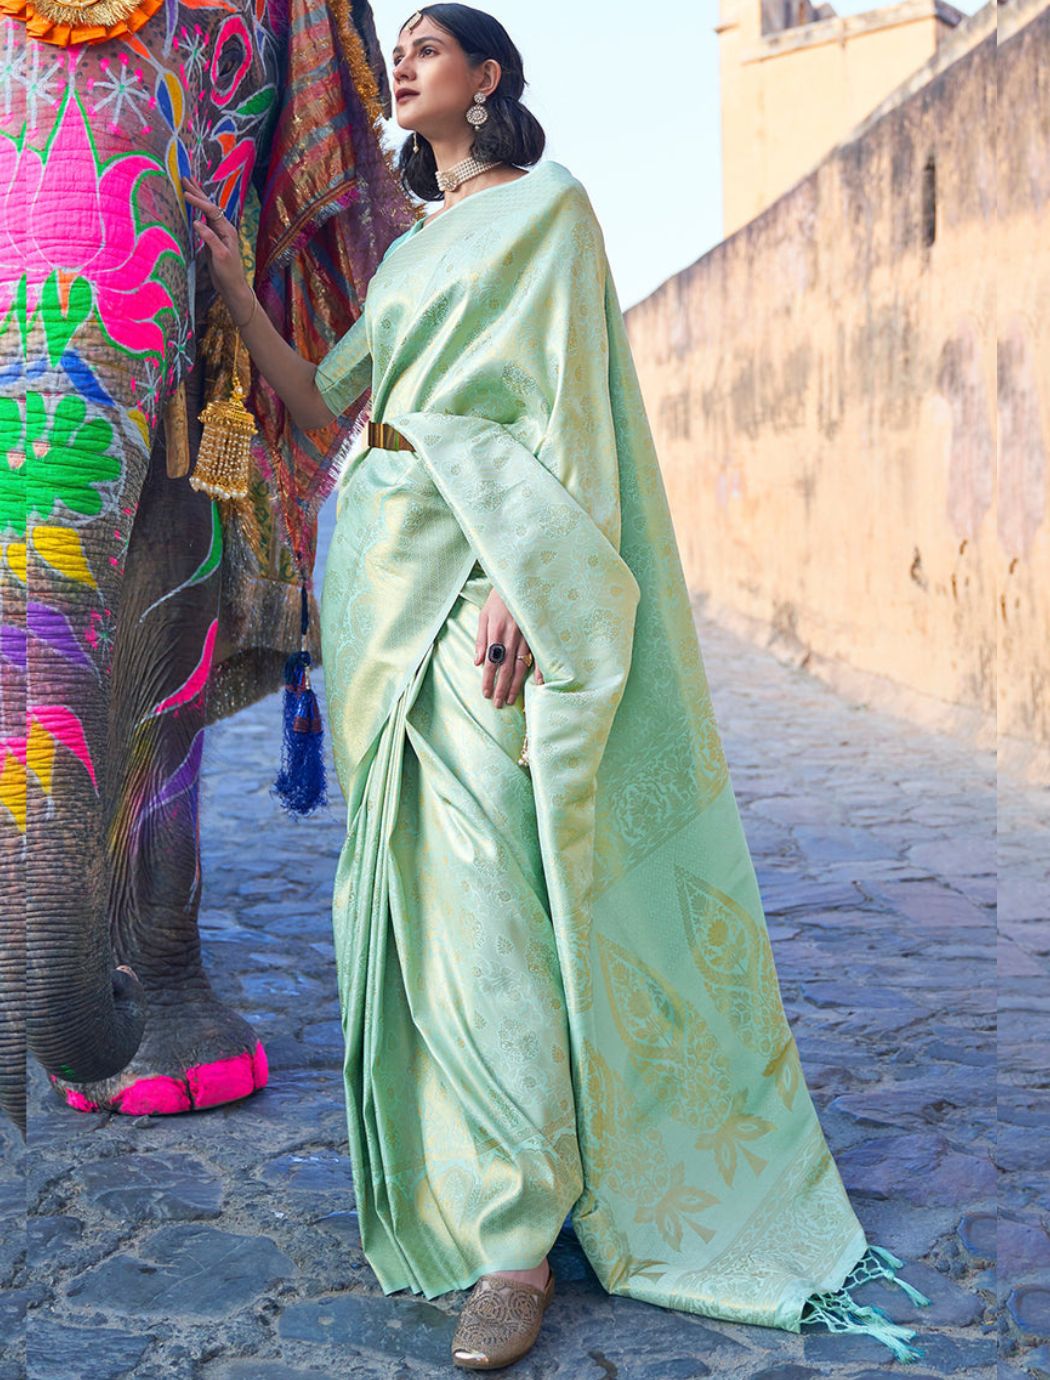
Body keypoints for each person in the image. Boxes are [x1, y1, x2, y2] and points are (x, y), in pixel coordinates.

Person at [183, 4, 933, 1372]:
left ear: (492, 77)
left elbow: (570, 410)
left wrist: (535, 585)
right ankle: (471, 1187)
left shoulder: (551, 210)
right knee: (410, 892)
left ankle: (518, 1246)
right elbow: (320, 403)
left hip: (480, 575)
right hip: (375, 572)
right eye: (396, 46)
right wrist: (233, 283)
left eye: (430, 45)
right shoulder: (415, 249)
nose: (402, 62)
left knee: (487, 898)